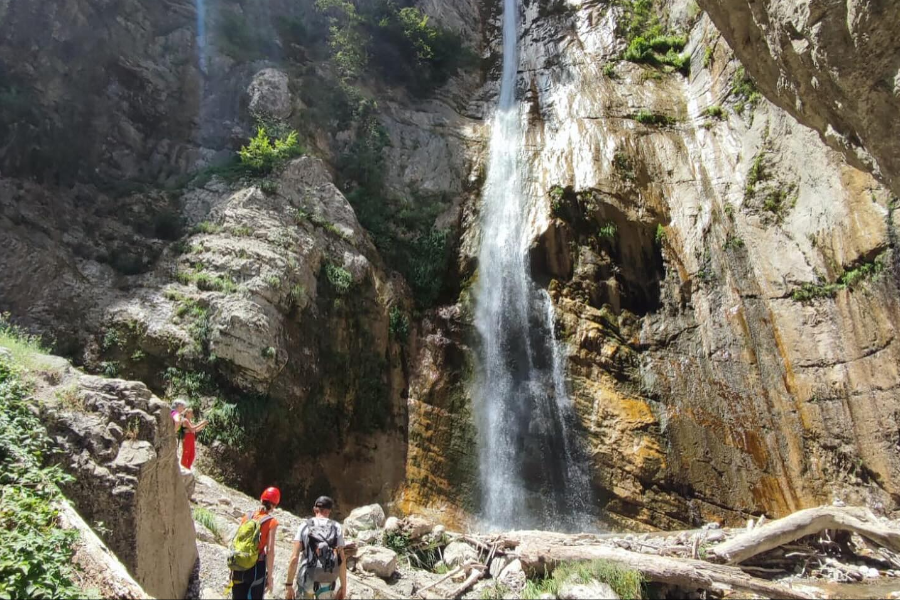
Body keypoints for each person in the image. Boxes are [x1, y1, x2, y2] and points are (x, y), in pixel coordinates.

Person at [285, 496, 347, 600]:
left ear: (315, 509)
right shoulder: (336, 527)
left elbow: (294, 558)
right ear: (330, 511)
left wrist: (289, 585)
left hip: (306, 578)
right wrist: (343, 586)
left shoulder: (304, 526)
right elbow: (342, 559)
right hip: (327, 580)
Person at [231, 487, 281, 600]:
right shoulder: (271, 522)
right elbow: (270, 550)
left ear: (261, 499)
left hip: (239, 564)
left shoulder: (247, 516)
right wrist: (270, 578)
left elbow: (237, 541)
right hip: (256, 566)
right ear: (274, 505)